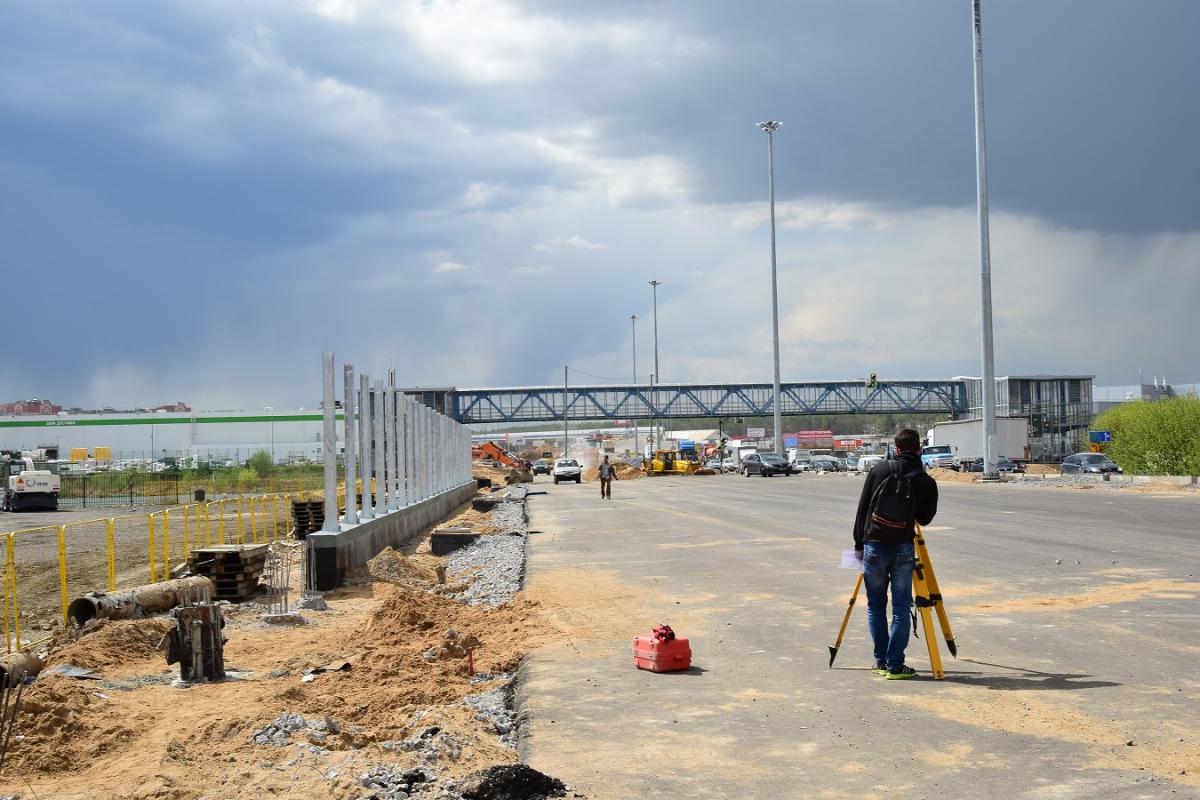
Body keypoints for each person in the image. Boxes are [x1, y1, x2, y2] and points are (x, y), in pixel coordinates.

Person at [852, 428, 938, 679]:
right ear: (919, 450)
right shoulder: (925, 480)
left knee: (875, 606)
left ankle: (880, 661)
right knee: (901, 607)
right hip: (903, 547)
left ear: (896, 449)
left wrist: (858, 543)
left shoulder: (879, 470)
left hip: (874, 545)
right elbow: (925, 518)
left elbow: (863, 510)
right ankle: (895, 665)